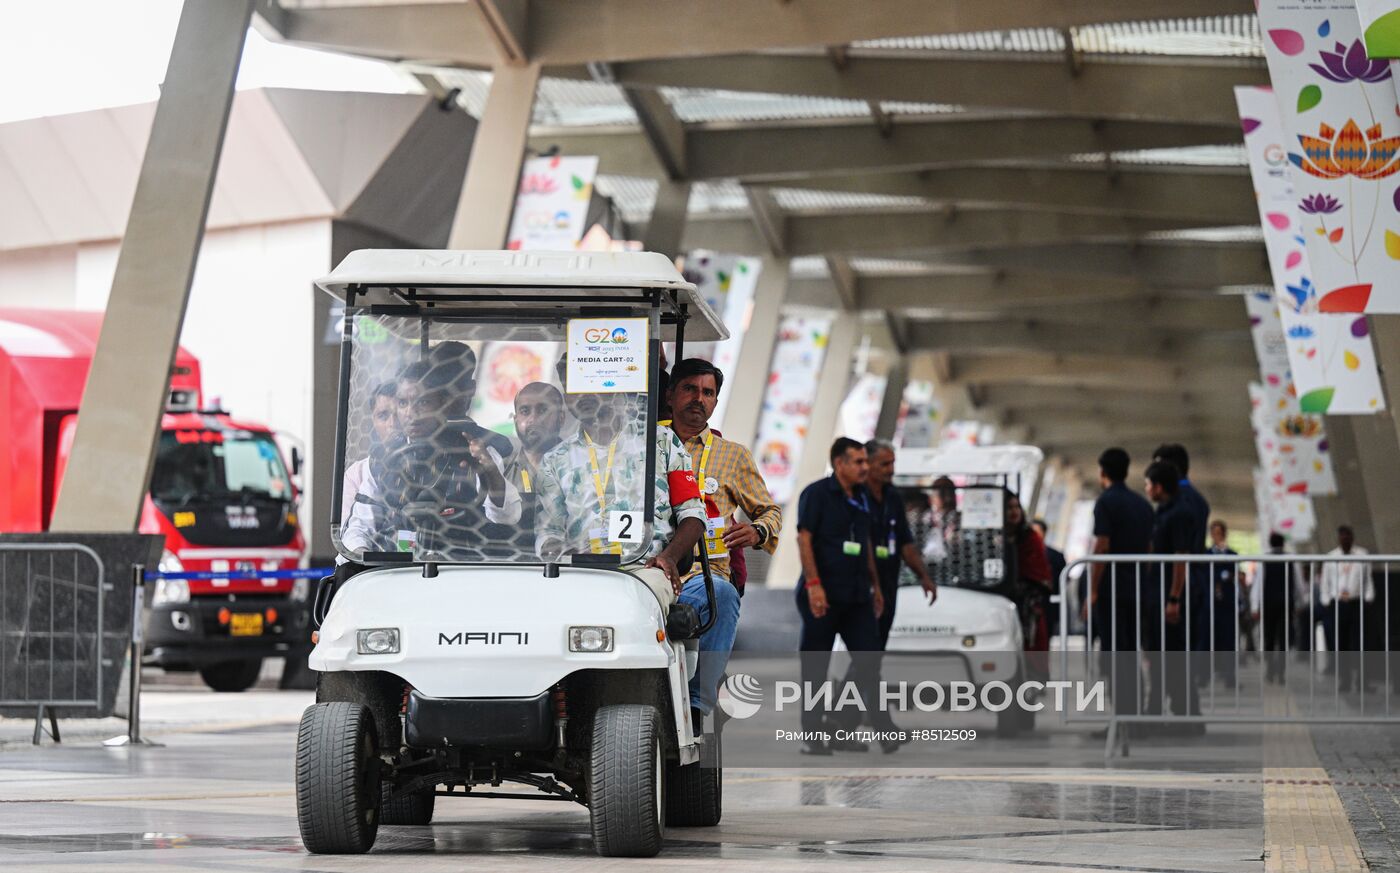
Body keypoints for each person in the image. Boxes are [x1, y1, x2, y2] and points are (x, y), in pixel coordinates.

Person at [532, 356, 706, 615]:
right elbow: (549, 532)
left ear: (612, 384)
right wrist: (561, 550)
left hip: (645, 569)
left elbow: (693, 514)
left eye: (589, 383)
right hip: (581, 570)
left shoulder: (661, 441)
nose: (582, 395)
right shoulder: (556, 460)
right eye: (572, 388)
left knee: (639, 602)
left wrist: (669, 557)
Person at [665, 357, 783, 722]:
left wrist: (757, 530)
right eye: (689, 389)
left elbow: (770, 511)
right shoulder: (645, 444)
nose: (698, 399)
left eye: (708, 393)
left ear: (716, 401)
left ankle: (700, 707)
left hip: (706, 575)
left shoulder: (733, 455)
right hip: (648, 571)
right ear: (670, 395)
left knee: (725, 594)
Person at [341, 343, 521, 560]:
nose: (411, 413)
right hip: (400, 568)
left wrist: (490, 472)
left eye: (423, 402)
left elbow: (507, 516)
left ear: (442, 404)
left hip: (463, 568)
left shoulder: (475, 452)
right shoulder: (381, 460)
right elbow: (360, 525)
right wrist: (362, 556)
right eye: (403, 402)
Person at [794, 438, 889, 755]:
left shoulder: (863, 497)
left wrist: (876, 586)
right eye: (859, 462)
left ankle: (837, 724)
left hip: (858, 594)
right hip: (823, 592)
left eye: (866, 461)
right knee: (816, 667)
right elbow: (804, 540)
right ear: (839, 464)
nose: (865, 467)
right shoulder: (817, 494)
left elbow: (866, 542)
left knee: (868, 661)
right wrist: (814, 585)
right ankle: (812, 735)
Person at [1083, 447, 1155, 722]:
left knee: (1115, 654)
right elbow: (1149, 549)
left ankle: (1121, 719)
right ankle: (1134, 713)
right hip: (1137, 589)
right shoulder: (1143, 505)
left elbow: (1102, 546)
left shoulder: (1106, 502)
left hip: (1112, 590)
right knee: (1131, 652)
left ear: (1103, 472)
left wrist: (1092, 590)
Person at [863, 439, 938, 648]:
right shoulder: (855, 496)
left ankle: (867, 679)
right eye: (884, 464)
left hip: (887, 581)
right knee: (863, 649)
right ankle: (856, 680)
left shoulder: (893, 497)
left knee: (877, 648)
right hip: (863, 583)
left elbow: (905, 542)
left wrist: (924, 576)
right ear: (867, 464)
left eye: (892, 463)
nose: (891, 470)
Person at [1145, 460, 1200, 728]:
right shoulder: (1164, 511)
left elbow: (1181, 559)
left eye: (1147, 484)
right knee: (1158, 654)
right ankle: (1162, 707)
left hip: (1169, 596)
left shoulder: (1179, 514)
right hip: (1159, 594)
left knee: (1173, 655)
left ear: (1158, 486)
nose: (1146, 489)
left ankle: (1187, 713)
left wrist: (1174, 599)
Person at [1320, 525, 1374, 692]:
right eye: (1342, 537)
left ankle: (1362, 681)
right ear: (1338, 539)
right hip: (1338, 604)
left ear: (1352, 538)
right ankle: (1345, 680)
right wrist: (1327, 599)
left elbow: (1368, 579)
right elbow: (1325, 582)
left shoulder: (1362, 555)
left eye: (1348, 537)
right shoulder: (1331, 557)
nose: (1345, 540)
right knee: (1341, 644)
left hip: (1356, 602)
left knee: (1360, 644)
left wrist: (1368, 596)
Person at [1007, 493, 1052, 681]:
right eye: (1009, 507)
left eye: (1017, 507)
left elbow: (1040, 571)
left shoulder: (1029, 537)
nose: (1014, 512)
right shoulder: (992, 537)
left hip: (1026, 602)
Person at [340, 381, 398, 523]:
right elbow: (350, 533)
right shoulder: (357, 475)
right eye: (383, 416)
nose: (393, 424)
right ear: (373, 421)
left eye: (398, 414)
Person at [504, 381, 565, 496]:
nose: (533, 418)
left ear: (561, 418)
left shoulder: (583, 465)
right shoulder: (500, 471)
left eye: (543, 410)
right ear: (515, 420)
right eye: (525, 411)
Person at [1207, 519, 1241, 689]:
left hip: (1227, 604)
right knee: (1207, 640)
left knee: (1228, 641)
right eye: (1214, 533)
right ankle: (1204, 675)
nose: (1216, 536)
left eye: (1219, 533)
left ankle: (1230, 677)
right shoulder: (1205, 555)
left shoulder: (1232, 555)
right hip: (1210, 604)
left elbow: (1237, 575)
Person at [1258, 532, 1293, 684]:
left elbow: (1259, 584)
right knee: (1283, 639)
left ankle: (1270, 670)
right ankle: (1281, 672)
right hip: (1286, 604)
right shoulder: (1290, 559)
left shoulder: (1265, 560)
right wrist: (1299, 601)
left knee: (1269, 639)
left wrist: (1255, 605)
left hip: (1268, 604)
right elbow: (1297, 583)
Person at [1032, 518, 1066, 638]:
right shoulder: (1023, 554)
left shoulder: (1056, 556)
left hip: (1049, 604)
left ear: (1044, 533)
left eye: (1037, 531)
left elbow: (1063, 579)